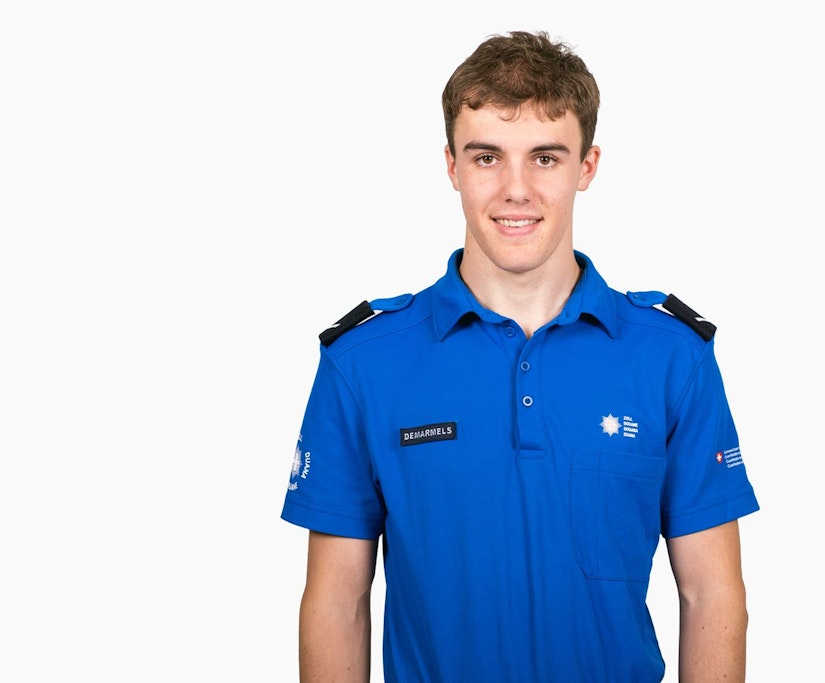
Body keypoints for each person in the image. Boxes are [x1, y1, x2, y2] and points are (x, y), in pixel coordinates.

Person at [281, 30, 759, 683]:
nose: (515, 189)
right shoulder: (363, 362)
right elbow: (338, 602)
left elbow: (712, 593)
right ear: (450, 164)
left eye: (544, 157)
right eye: (486, 157)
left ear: (586, 165)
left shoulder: (671, 357)